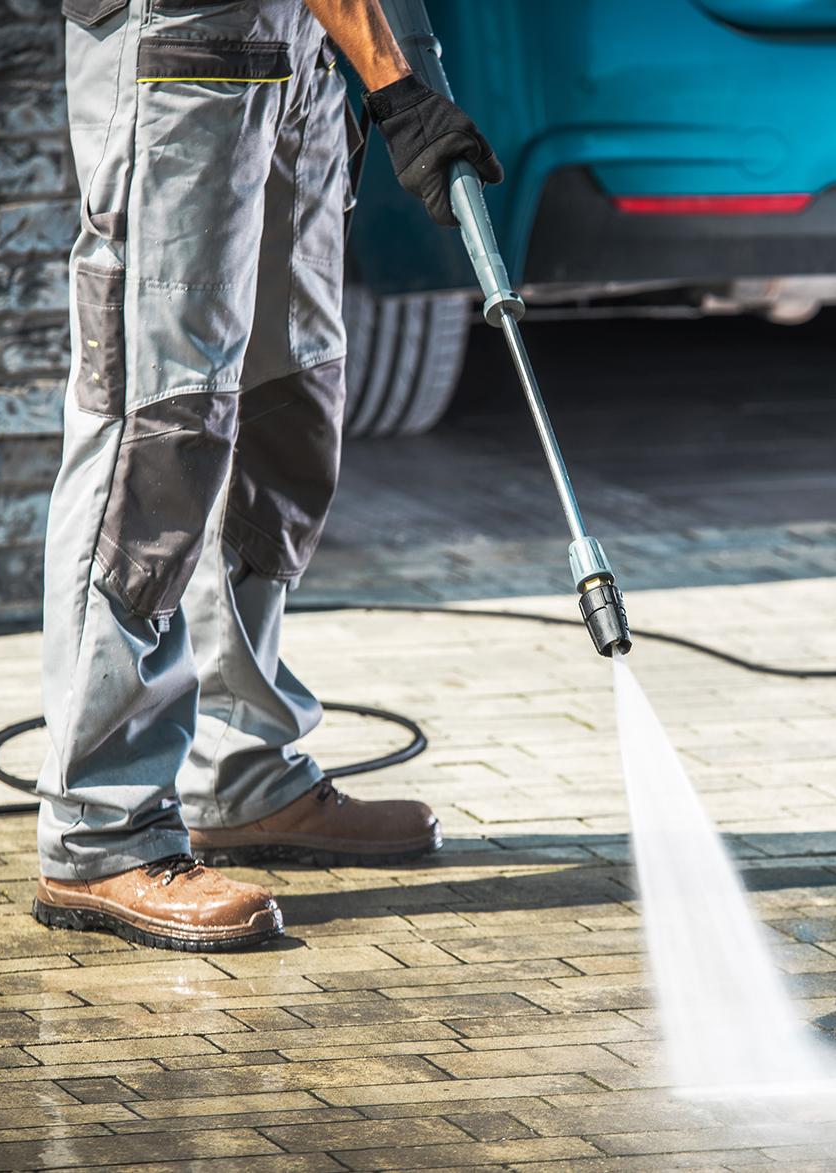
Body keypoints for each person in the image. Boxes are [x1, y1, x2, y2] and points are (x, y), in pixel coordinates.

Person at [31, 0, 501, 952]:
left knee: (289, 407)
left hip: (303, 48)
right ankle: (102, 822)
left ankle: (241, 769)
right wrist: (397, 82)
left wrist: (405, 68)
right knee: (161, 424)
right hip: (184, 42)